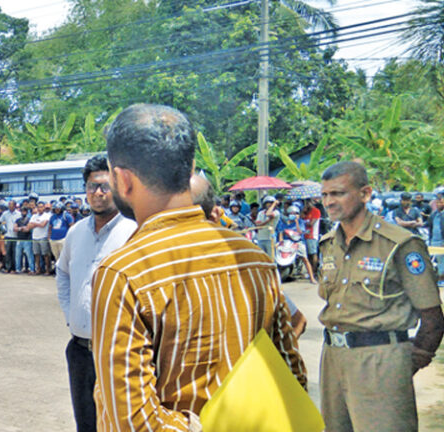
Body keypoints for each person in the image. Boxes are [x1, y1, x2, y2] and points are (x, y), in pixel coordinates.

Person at [91, 104, 306, 430]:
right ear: (191, 167)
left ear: (122, 180)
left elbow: (132, 423)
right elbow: (292, 376)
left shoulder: (123, 273)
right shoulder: (256, 260)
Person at [318, 161, 444, 432]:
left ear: (365, 194)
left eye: (338, 193)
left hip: (380, 359)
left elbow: (432, 315)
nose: (329, 202)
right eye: (325, 195)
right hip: (333, 357)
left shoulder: (399, 244)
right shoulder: (328, 244)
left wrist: (410, 361)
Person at [56, 155, 137, 432]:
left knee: (119, 424)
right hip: (80, 351)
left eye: (104, 186)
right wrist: (71, 314)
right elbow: (63, 272)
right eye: (92, 187)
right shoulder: (76, 233)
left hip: (119, 353)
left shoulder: (134, 233)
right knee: (86, 424)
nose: (98, 193)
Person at [277, 205, 318, 284]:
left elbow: (300, 232)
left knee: (305, 259)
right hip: (287, 243)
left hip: (298, 242)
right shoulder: (283, 222)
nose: (294, 215)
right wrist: (280, 242)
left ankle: (312, 278)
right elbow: (281, 233)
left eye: (296, 213)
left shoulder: (300, 222)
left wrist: (296, 222)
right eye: (292, 213)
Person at [426, 189, 444, 288]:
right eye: (437, 202)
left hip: (442, 241)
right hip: (434, 241)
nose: (439, 204)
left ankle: (442, 280)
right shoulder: (434, 214)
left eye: (441, 202)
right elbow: (429, 226)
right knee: (438, 261)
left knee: (442, 262)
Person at [28, 202, 52, 275]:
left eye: (41, 207)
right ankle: (38, 269)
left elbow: (43, 225)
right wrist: (37, 224)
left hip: (43, 237)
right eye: (38, 207)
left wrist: (34, 224)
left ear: (44, 208)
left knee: (46, 255)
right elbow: (29, 226)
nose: (39, 208)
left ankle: (47, 270)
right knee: (36, 254)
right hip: (35, 237)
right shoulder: (34, 216)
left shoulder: (47, 215)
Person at [301, 198, 322, 273]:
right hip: (304, 235)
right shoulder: (306, 212)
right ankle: (309, 271)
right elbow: (301, 218)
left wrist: (303, 222)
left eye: (308, 203)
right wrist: (303, 212)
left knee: (313, 253)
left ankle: (314, 270)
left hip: (312, 235)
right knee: (307, 255)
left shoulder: (316, 211)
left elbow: (311, 224)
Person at [14, 204, 35, 274]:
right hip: (19, 239)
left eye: (25, 211)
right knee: (18, 255)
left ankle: (32, 269)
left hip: (27, 239)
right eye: (22, 211)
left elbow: (28, 229)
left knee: (29, 255)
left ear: (27, 212)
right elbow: (15, 228)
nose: (23, 212)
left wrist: (22, 228)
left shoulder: (29, 219)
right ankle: (18, 269)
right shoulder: (18, 220)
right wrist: (21, 228)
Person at [1, 200, 20, 273]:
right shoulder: (5, 213)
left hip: (16, 236)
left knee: (15, 253)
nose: (10, 206)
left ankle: (14, 268)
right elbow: (0, 222)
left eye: (11, 205)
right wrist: (2, 230)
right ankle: (7, 268)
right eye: (9, 204)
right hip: (8, 235)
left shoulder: (19, 214)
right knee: (7, 253)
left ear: (15, 206)